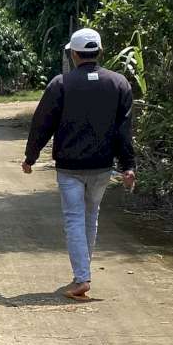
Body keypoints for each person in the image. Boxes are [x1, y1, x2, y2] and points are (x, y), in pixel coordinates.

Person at [22, 28, 136, 300]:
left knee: (74, 218)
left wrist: (30, 157)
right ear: (100, 51)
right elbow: (124, 130)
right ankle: (82, 273)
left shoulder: (60, 84)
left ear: (73, 54)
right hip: (102, 166)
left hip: (69, 167)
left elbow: (42, 123)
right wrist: (128, 165)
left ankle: (82, 277)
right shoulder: (119, 83)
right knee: (91, 216)